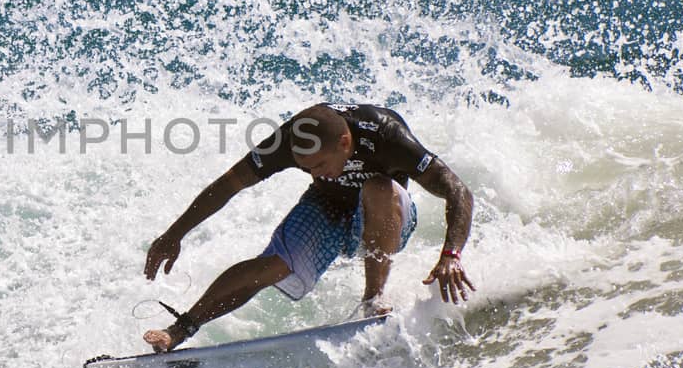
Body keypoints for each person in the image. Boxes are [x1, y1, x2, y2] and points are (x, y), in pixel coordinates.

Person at [142, 103, 475, 352]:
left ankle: (373, 300)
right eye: (306, 168)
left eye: (320, 165)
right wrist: (174, 234)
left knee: (378, 187)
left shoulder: (385, 135)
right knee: (269, 267)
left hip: (385, 218)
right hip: (325, 209)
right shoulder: (291, 139)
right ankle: (181, 329)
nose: (316, 174)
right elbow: (230, 184)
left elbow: (457, 190)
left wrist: (451, 253)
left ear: (345, 142)